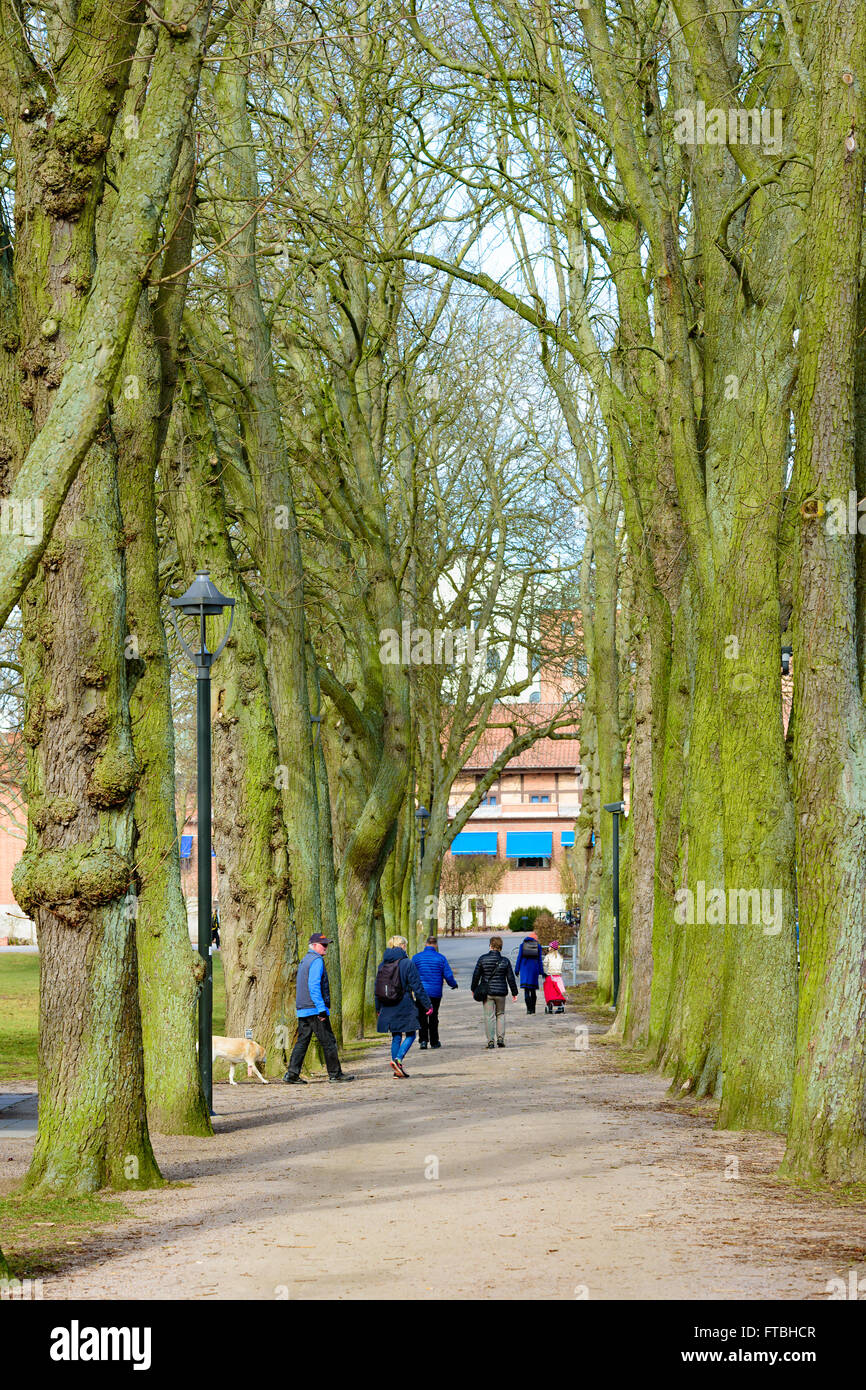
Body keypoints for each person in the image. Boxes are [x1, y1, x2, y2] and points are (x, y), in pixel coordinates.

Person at [284, 933, 354, 1084]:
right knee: (328, 1041)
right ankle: (335, 1074)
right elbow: (314, 985)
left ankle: (292, 1074)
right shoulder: (316, 961)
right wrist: (321, 1008)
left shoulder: (305, 960)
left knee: (302, 1042)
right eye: (323, 945)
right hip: (314, 1009)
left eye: (327, 944)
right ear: (314, 945)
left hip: (303, 1008)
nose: (326, 948)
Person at [375, 935, 433, 1078]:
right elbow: (417, 986)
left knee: (396, 1036)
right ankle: (398, 1059)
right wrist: (427, 1005)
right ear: (402, 946)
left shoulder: (382, 964)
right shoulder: (407, 963)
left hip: (387, 1004)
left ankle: (397, 1069)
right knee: (411, 1034)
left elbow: (377, 987)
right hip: (404, 1002)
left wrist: (378, 1008)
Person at [471, 935, 518, 1049]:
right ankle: (501, 1039)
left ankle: (491, 1041)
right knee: (500, 1014)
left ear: (490, 946)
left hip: (487, 992)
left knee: (489, 1016)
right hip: (501, 992)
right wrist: (514, 992)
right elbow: (510, 978)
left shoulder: (482, 959)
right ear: (500, 947)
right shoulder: (505, 961)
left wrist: (474, 989)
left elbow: (476, 975)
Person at [411, 936, 458, 1048]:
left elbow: (411, 974)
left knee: (422, 1016)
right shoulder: (441, 958)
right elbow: (448, 975)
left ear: (425, 944)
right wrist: (453, 984)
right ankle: (434, 1041)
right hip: (435, 992)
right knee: (433, 1015)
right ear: (436, 945)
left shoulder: (416, 958)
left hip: (421, 992)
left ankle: (423, 1040)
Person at [515, 930, 545, 1014]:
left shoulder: (522, 945)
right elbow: (540, 960)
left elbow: (519, 958)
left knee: (526, 990)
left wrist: (517, 969)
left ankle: (528, 1009)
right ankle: (533, 1009)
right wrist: (541, 972)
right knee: (533, 991)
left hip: (524, 969)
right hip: (534, 970)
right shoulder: (538, 946)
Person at [543, 940, 567, 1014]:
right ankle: (560, 1006)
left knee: (550, 992)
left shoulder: (548, 956)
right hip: (558, 977)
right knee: (559, 992)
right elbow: (563, 967)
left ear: (552, 948)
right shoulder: (560, 957)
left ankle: (550, 1005)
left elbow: (544, 965)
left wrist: (544, 972)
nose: (548, 948)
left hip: (551, 976)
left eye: (549, 946)